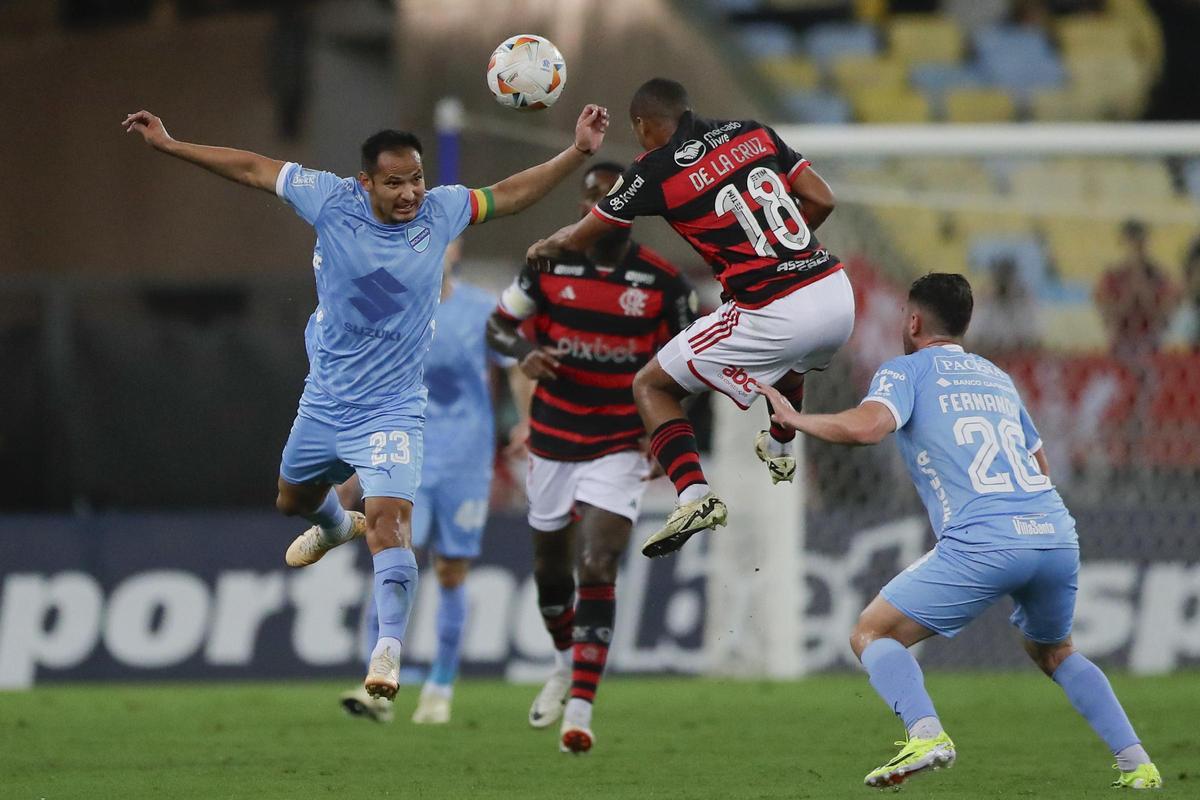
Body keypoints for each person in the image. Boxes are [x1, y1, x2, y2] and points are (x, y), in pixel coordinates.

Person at [122, 104, 610, 702]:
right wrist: (172, 145)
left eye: (416, 179)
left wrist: (577, 152)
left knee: (390, 524)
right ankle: (331, 526)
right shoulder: (328, 200)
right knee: (291, 499)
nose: (410, 194)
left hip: (394, 408)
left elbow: (509, 194)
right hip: (325, 399)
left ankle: (387, 654)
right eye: (396, 182)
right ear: (366, 183)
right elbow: (252, 167)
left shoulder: (444, 210)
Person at [758, 273, 1162, 790]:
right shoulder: (995, 377)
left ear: (913, 321)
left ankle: (926, 734)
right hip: (1054, 531)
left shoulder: (904, 371)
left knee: (873, 633)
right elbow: (1038, 463)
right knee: (1055, 651)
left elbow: (867, 428)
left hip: (985, 538)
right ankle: (1139, 765)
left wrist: (798, 418)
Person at [525, 78, 855, 559]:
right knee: (790, 356)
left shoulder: (654, 169)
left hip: (775, 307)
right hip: (835, 293)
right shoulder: (753, 132)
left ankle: (694, 496)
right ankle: (782, 446)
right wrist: (781, 254)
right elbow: (822, 199)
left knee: (650, 386)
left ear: (642, 125)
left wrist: (544, 246)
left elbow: (581, 237)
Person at [486, 161, 698, 754]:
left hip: (619, 441)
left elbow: (691, 368)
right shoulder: (546, 265)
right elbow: (499, 328)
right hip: (552, 437)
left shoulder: (667, 284)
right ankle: (562, 660)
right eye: (592, 199)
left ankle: (580, 708)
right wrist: (526, 352)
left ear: (629, 211)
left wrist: (665, 436)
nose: (600, 209)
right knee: (551, 571)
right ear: (582, 207)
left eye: (613, 200)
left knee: (598, 561)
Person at [337, 239, 520, 725]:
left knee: (451, 574)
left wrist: (526, 424)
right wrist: (353, 463)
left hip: (465, 463)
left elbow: (519, 364)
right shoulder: (385, 316)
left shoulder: (483, 310)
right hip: (404, 458)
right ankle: (378, 683)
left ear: (455, 250)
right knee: (394, 563)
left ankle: (440, 685)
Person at [1094, 219, 1179, 358]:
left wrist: (1143, 289)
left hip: (1152, 346)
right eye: (1131, 243)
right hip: (1120, 345)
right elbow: (1108, 315)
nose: (1136, 249)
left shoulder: (1161, 278)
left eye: (1140, 244)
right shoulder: (1110, 278)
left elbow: (1165, 317)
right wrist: (1130, 293)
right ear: (1122, 244)